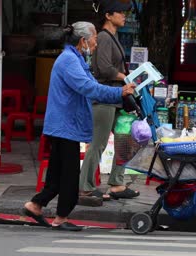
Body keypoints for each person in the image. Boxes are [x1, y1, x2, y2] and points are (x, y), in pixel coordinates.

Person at [22, 21, 136, 231]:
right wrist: (118, 93)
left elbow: (90, 85)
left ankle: (36, 204)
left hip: (64, 125)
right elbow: (88, 87)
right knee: (68, 174)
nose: (95, 43)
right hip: (65, 126)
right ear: (83, 40)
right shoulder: (69, 61)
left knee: (57, 173)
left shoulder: (75, 59)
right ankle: (61, 217)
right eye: (94, 38)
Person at [79, 0, 140, 201]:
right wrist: (125, 78)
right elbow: (104, 69)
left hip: (117, 98)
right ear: (108, 15)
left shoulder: (113, 37)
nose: (125, 16)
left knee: (126, 141)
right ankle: (86, 187)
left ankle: (116, 183)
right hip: (105, 97)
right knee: (98, 143)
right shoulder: (104, 37)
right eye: (121, 13)